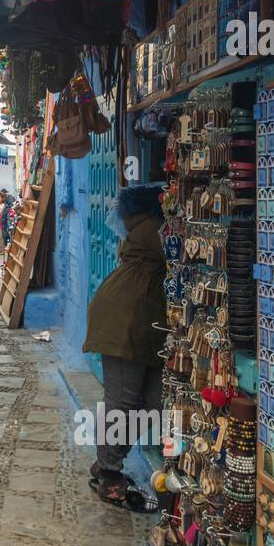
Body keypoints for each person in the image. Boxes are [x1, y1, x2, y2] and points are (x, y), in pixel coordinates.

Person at [81, 182, 167, 513]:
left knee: (153, 401)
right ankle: (110, 473)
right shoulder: (155, 229)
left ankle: (107, 461)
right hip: (123, 320)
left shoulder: (146, 226)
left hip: (140, 322)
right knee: (123, 401)